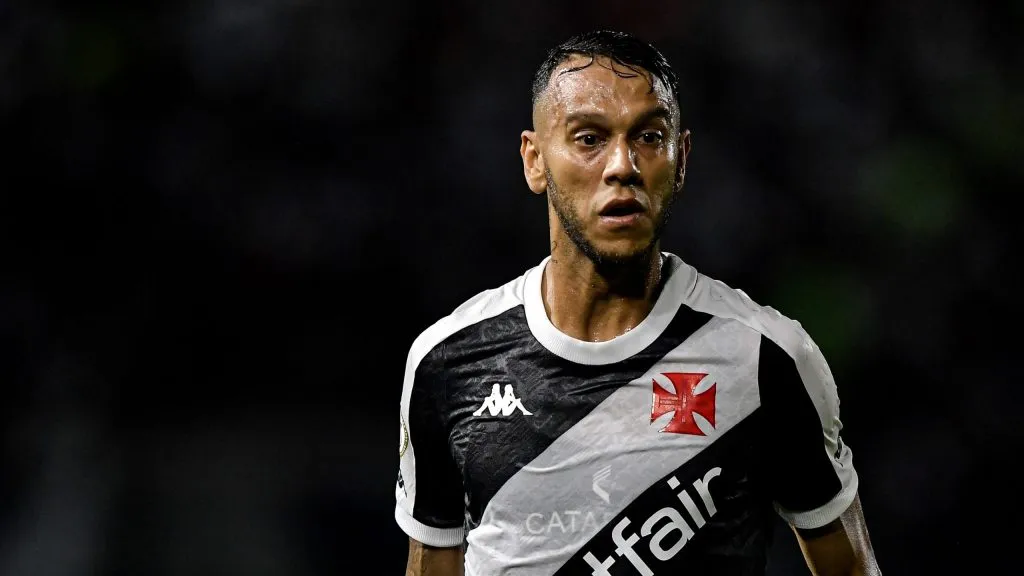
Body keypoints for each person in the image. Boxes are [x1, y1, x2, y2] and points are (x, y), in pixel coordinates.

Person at [395, 29, 881, 576]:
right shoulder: (448, 362)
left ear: (681, 158)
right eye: (588, 138)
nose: (622, 165)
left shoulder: (768, 359)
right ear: (534, 161)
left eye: (649, 137)